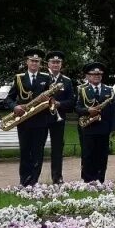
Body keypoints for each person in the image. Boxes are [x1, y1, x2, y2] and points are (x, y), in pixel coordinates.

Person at [5, 48, 52, 186]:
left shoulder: (46, 78)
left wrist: (47, 100)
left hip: (41, 121)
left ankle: (34, 181)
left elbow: (52, 100)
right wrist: (14, 106)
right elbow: (9, 98)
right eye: (32, 60)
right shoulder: (19, 78)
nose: (34, 63)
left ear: (40, 63)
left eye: (37, 61)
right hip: (23, 121)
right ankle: (24, 181)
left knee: (38, 153)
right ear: (27, 62)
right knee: (25, 152)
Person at [75, 62, 115, 182]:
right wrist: (87, 110)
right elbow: (77, 108)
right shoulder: (82, 90)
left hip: (103, 128)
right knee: (88, 155)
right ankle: (87, 180)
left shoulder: (109, 90)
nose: (96, 76)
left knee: (102, 156)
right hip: (88, 128)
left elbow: (113, 112)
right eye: (93, 74)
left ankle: (100, 180)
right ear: (88, 76)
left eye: (99, 74)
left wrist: (113, 128)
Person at [45, 50, 74, 184]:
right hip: (42, 118)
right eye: (53, 62)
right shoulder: (43, 77)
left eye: (58, 62)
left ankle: (57, 177)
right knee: (38, 147)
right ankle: (32, 178)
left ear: (61, 64)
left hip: (58, 118)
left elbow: (71, 102)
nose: (56, 64)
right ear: (48, 64)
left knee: (57, 148)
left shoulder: (67, 81)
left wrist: (59, 104)